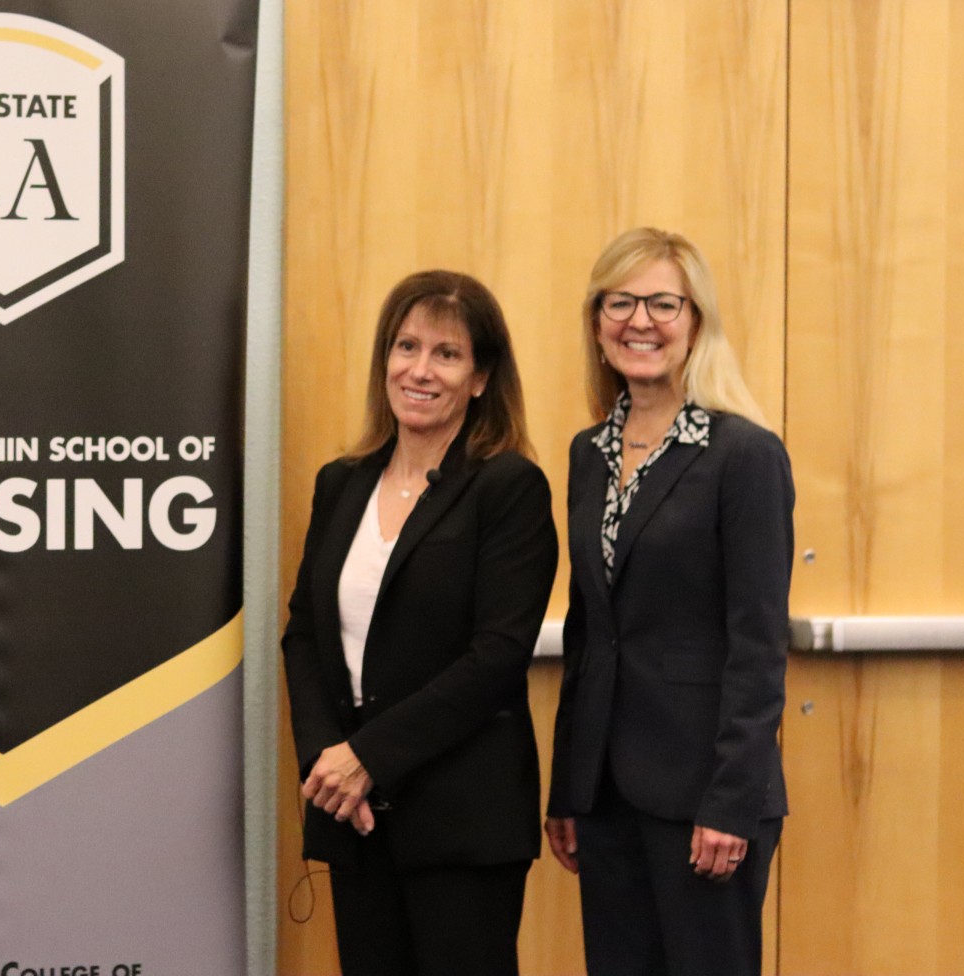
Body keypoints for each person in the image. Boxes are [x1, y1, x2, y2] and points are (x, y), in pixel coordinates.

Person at [282, 270, 558, 976]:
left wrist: (370, 756)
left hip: (462, 823)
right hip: (356, 816)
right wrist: (327, 764)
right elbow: (305, 635)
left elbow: (495, 657)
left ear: (480, 377)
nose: (420, 370)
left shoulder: (507, 487)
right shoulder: (341, 483)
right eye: (406, 347)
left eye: (447, 354)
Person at [545, 227, 793, 976]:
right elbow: (589, 636)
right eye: (620, 302)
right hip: (608, 794)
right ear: (596, 322)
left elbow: (758, 644)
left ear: (695, 322)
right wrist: (569, 786)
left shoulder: (743, 454)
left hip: (704, 798)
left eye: (662, 303)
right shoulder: (589, 455)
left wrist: (731, 802)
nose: (640, 322)